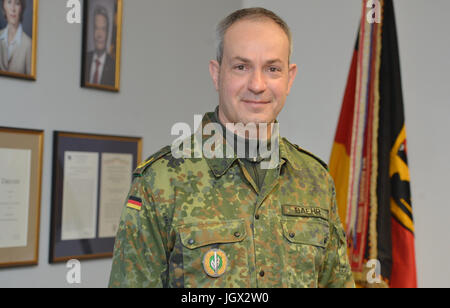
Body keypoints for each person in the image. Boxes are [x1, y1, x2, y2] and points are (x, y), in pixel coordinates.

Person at [109, 7, 355, 288]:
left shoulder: (315, 180)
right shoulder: (162, 181)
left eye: (272, 69)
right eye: (241, 67)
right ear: (217, 74)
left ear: (290, 78)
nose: (257, 85)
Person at [84, 5, 115, 86]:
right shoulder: (85, 59)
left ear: (108, 33)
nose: (99, 35)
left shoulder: (114, 66)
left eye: (103, 29)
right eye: (96, 28)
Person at [0, 0, 31, 75]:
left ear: (21, 8)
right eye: (9, 2)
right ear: (4, 6)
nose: (13, 9)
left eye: (17, 3)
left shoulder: (29, 44)